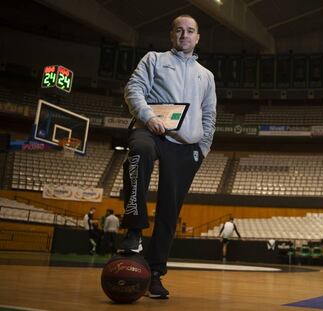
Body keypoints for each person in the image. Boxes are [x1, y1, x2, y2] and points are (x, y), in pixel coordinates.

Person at [117, 14, 216, 300]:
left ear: (197, 38)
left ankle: (155, 273)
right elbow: (133, 90)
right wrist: (147, 117)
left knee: (169, 211)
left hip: (185, 147)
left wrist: (202, 148)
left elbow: (209, 115)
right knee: (139, 151)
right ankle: (134, 231)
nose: (184, 35)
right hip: (150, 131)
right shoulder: (154, 59)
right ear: (171, 35)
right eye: (179, 30)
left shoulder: (206, 76)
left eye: (190, 31)